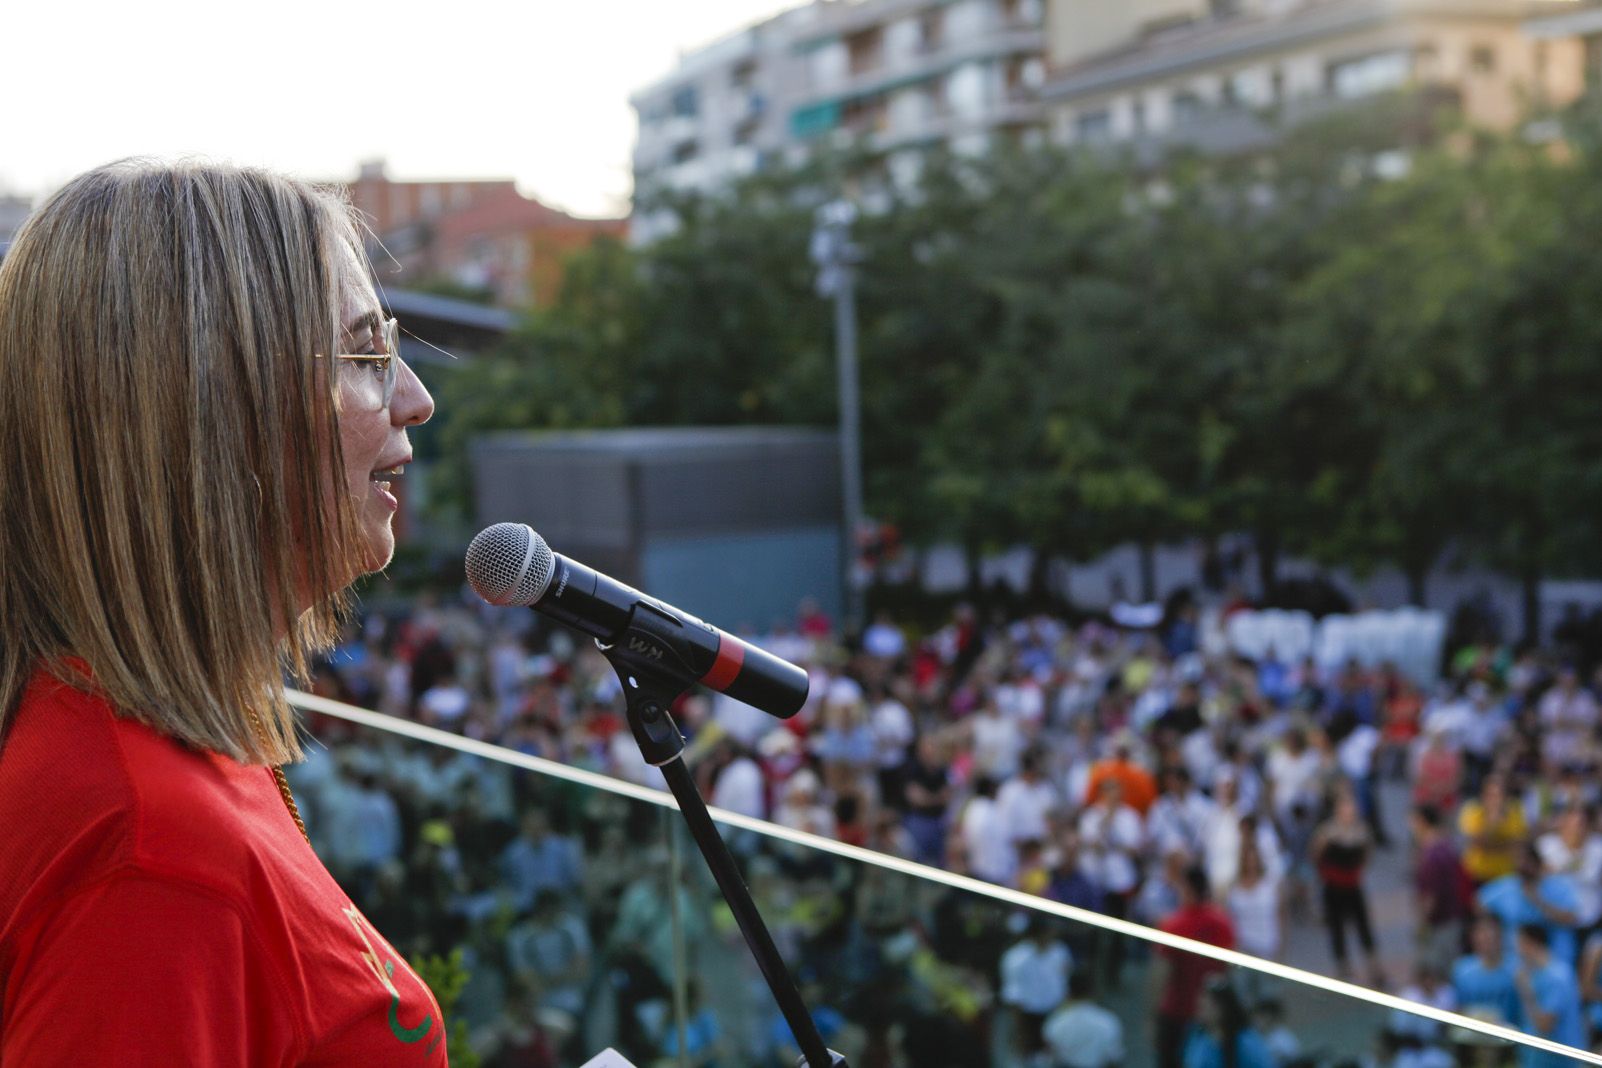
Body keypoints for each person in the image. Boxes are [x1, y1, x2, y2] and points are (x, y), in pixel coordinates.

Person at [0, 160, 443, 1063]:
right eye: (365, 352)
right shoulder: (151, 856)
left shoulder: (132, 745)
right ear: (215, 410)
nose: (415, 399)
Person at [1154, 866, 1236, 1068]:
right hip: (1209, 1012)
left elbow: (1161, 971)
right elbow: (1229, 966)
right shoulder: (1221, 922)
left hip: (1177, 1011)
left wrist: (1154, 1012)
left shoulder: (1174, 925)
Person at [1311, 786, 1386, 985]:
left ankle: (1374, 968)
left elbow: (1368, 854)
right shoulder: (1328, 832)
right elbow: (1316, 854)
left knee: (1363, 927)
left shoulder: (1361, 830)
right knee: (1337, 928)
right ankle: (1343, 968)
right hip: (1333, 887)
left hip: (1352, 885)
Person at [1512, 923, 1586, 1067]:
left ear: (1530, 944)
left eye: (1519, 943)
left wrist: (1526, 991)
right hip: (1534, 1059)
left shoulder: (1558, 977)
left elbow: (1545, 1025)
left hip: (1560, 1062)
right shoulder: (1532, 973)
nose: (1517, 950)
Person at [1042, 968, 1124, 1068]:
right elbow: (1114, 1057)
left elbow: (1050, 1058)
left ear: (1068, 993)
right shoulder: (1107, 1021)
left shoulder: (1057, 1022)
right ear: (1094, 992)